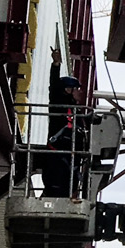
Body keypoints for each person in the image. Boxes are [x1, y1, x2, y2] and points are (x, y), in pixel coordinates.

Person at [41, 57, 82, 198]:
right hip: (57, 153)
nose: (79, 92)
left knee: (70, 179)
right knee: (55, 180)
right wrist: (56, 65)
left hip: (72, 155)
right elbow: (54, 86)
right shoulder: (59, 103)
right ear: (68, 90)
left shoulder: (79, 113)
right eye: (76, 89)